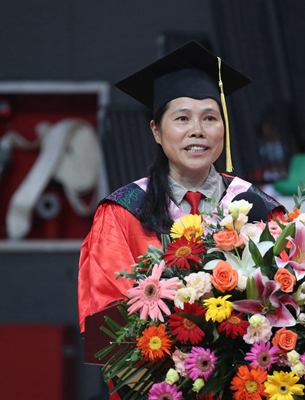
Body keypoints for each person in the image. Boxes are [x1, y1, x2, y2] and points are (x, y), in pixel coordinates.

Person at [77, 41, 285, 399]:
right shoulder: (124, 212)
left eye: (210, 118)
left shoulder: (258, 207)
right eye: (182, 118)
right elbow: (106, 315)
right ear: (156, 131)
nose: (197, 130)